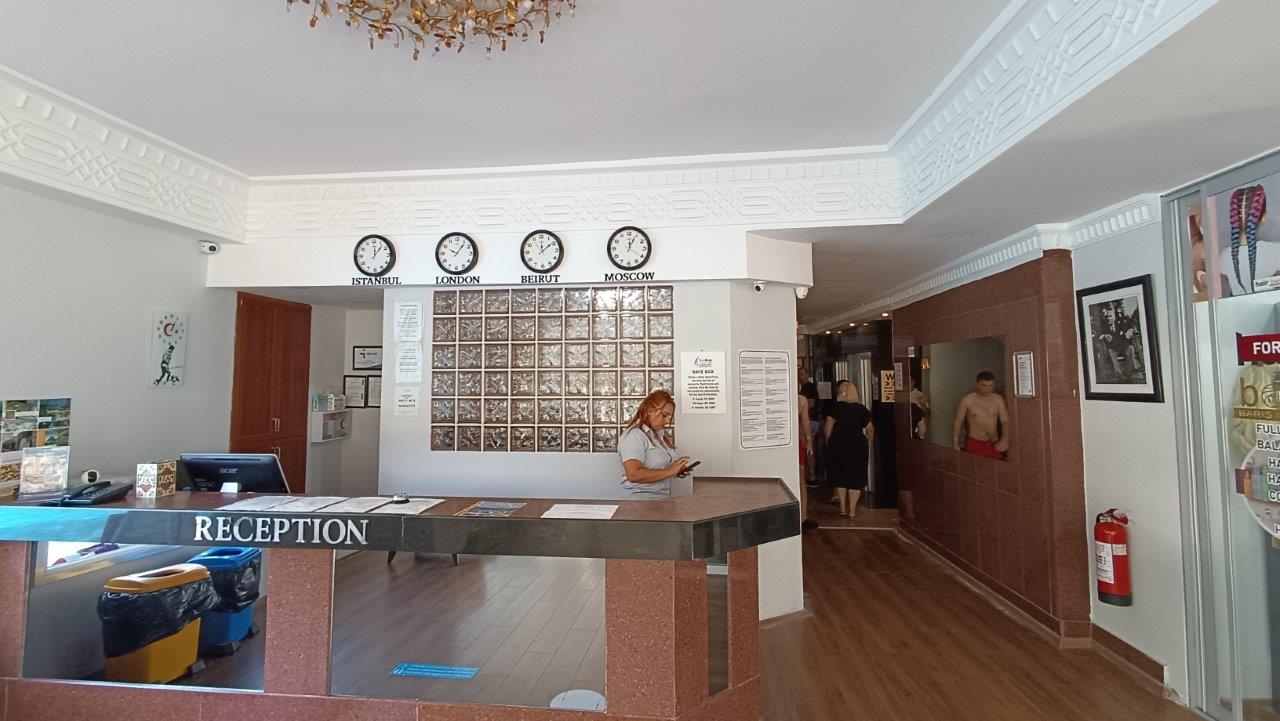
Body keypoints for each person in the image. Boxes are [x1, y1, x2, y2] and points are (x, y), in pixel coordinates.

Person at [617, 390, 689, 500]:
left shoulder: (659, 436)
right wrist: (670, 471)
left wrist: (676, 470)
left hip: (660, 501)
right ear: (650, 410)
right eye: (664, 415)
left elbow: (661, 470)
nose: (667, 421)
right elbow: (633, 475)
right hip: (640, 503)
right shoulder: (634, 436)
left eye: (669, 417)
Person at [823, 380, 874, 518]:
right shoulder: (862, 409)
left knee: (840, 476)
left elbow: (828, 428)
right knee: (855, 478)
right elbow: (870, 429)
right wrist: (867, 441)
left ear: (842, 393)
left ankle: (842, 508)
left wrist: (828, 441)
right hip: (858, 445)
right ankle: (852, 511)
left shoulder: (836, 407)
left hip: (838, 444)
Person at [952, 371, 1010, 460]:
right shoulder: (967, 400)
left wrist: (1005, 438)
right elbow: (958, 421)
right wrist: (955, 441)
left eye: (991, 385)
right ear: (977, 384)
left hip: (994, 443)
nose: (988, 389)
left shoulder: (998, 399)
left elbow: (1005, 421)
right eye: (984, 385)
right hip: (976, 442)